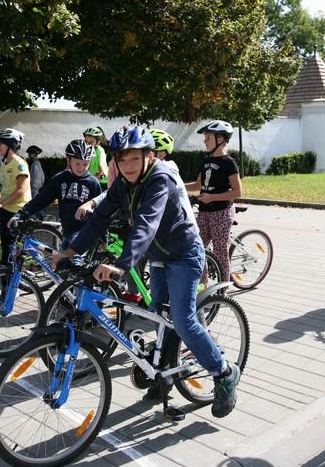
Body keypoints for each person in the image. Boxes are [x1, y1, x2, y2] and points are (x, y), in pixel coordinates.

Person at [54, 125, 241, 418]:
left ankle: (224, 372)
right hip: (158, 255)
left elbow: (146, 223)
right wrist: (70, 252)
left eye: (134, 159)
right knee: (157, 314)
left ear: (149, 156)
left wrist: (121, 265)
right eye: (122, 160)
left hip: (183, 253)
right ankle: (164, 371)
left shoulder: (160, 178)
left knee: (183, 320)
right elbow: (101, 217)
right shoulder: (124, 182)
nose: (127, 166)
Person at [11, 140, 100, 250]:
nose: (81, 168)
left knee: (72, 259)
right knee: (62, 258)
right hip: (67, 232)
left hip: (84, 234)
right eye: (77, 163)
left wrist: (103, 238)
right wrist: (21, 214)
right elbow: (41, 199)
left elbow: (101, 211)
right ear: (68, 160)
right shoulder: (60, 179)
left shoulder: (93, 183)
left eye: (85, 164)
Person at [185, 120, 242, 285]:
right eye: (205, 138)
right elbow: (197, 185)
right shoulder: (206, 160)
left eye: (208, 138)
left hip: (221, 213)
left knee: (220, 252)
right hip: (204, 212)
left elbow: (237, 192)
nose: (205, 141)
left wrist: (212, 197)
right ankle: (203, 287)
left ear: (221, 139)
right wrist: (177, 185)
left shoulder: (228, 163)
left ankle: (223, 289)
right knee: (197, 248)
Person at [0, 129, 31, 264]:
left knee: (8, 245)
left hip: (16, 209)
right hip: (5, 207)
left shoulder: (19, 163)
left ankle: (8, 272)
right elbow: (5, 187)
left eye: (0, 144)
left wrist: (1, 203)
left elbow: (22, 189)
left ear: (10, 145)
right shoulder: (4, 163)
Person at [26, 145, 46, 219]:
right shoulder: (37, 163)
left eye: (30, 153)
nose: (28, 155)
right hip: (35, 187)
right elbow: (42, 177)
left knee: (34, 202)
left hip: (34, 187)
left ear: (34, 154)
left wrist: (33, 187)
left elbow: (37, 178)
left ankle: (41, 216)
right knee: (35, 202)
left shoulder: (35, 164)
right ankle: (40, 216)